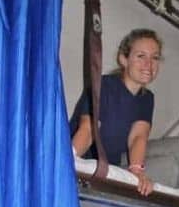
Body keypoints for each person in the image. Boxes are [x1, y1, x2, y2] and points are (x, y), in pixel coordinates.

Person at [70, 28, 163, 196]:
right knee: (169, 167)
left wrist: (137, 172)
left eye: (155, 58)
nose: (149, 64)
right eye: (141, 56)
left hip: (112, 162)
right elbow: (89, 129)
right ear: (124, 59)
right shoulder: (104, 85)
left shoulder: (147, 98)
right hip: (81, 153)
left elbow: (138, 137)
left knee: (176, 155)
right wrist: (68, 161)